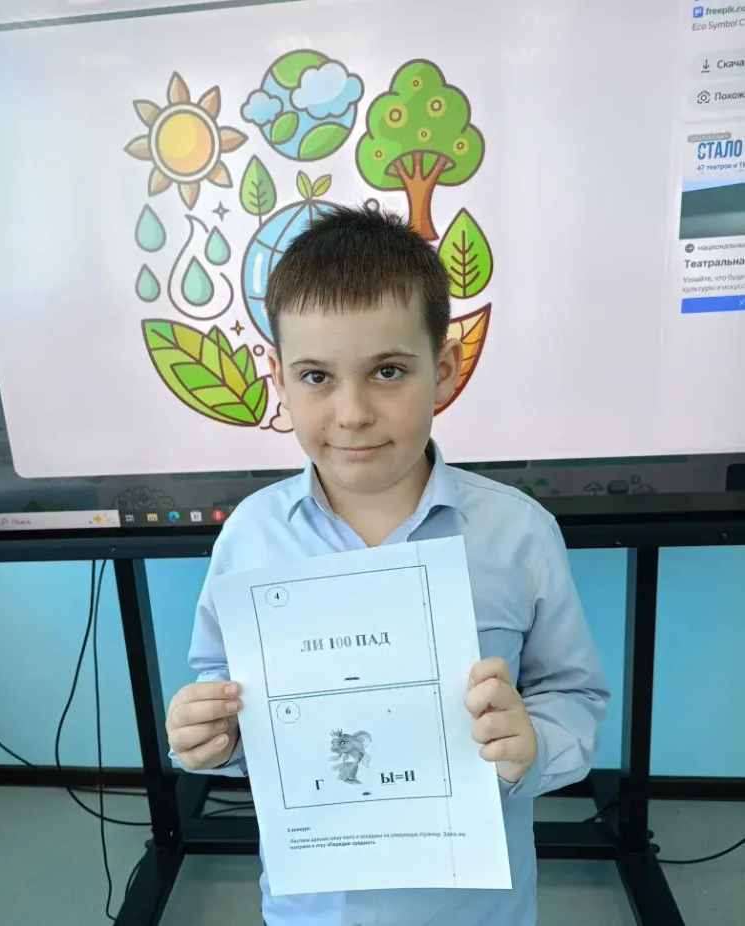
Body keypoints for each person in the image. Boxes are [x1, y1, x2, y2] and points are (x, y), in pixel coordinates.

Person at [165, 204, 610, 926]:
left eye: (388, 371)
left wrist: (535, 744)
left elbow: (573, 693)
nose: (352, 413)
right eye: (316, 376)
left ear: (444, 371)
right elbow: (223, 687)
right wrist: (210, 735)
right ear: (279, 378)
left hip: (477, 912)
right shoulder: (249, 538)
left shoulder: (518, 534)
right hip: (312, 909)